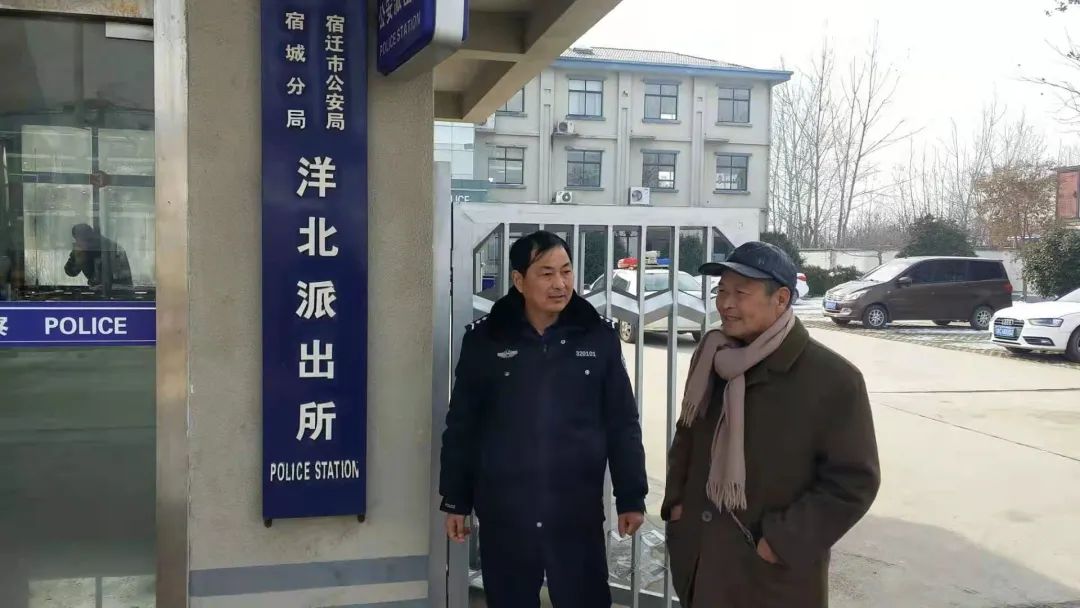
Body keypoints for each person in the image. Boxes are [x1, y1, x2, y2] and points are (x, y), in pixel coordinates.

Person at [662, 241, 880, 608]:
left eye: (740, 293)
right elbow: (686, 436)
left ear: (780, 299)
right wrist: (677, 506)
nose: (725, 303)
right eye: (722, 291)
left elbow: (853, 482)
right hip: (700, 557)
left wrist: (780, 542)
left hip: (769, 578)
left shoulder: (832, 379)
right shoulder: (713, 357)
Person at [439, 230, 648, 608]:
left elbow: (622, 423)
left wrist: (631, 496)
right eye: (547, 273)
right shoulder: (487, 340)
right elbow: (463, 426)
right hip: (506, 512)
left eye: (566, 271)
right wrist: (456, 499)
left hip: (576, 512)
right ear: (519, 280)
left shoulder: (597, 337)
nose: (560, 284)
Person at [64, 223, 133, 291]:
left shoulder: (110, 248)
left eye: (84, 240)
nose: (80, 243)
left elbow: (120, 279)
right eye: (78, 240)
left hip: (118, 292)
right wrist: (79, 258)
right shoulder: (81, 249)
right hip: (97, 291)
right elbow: (70, 271)